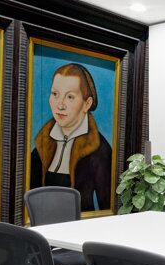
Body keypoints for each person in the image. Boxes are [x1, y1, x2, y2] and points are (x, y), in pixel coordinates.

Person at [30, 63, 112, 211]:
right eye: (55, 94)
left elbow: (109, 209)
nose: (60, 105)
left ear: (87, 104)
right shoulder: (42, 144)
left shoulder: (99, 150)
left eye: (70, 97)